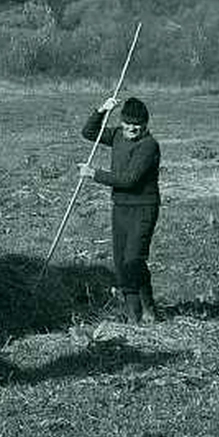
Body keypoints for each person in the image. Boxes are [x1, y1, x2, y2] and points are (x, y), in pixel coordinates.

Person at [78, 96, 161, 324]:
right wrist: (102, 110)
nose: (131, 129)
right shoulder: (116, 135)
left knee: (134, 259)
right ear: (122, 121)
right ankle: (135, 315)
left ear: (145, 124)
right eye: (127, 124)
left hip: (144, 209)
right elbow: (89, 133)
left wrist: (94, 174)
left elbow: (130, 180)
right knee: (122, 264)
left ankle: (149, 309)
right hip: (121, 208)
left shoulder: (149, 146)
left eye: (137, 125)